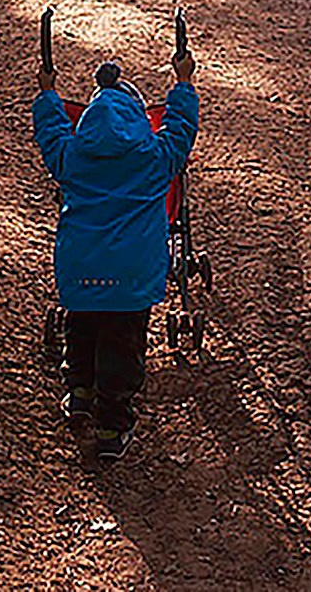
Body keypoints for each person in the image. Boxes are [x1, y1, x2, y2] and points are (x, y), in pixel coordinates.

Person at [32, 46, 198, 461]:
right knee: (123, 348)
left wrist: (48, 93)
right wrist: (183, 83)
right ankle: (111, 427)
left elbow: (51, 130)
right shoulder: (156, 158)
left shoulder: (71, 157)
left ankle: (79, 393)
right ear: (140, 122)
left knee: (82, 330)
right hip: (132, 274)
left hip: (82, 268)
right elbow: (181, 127)